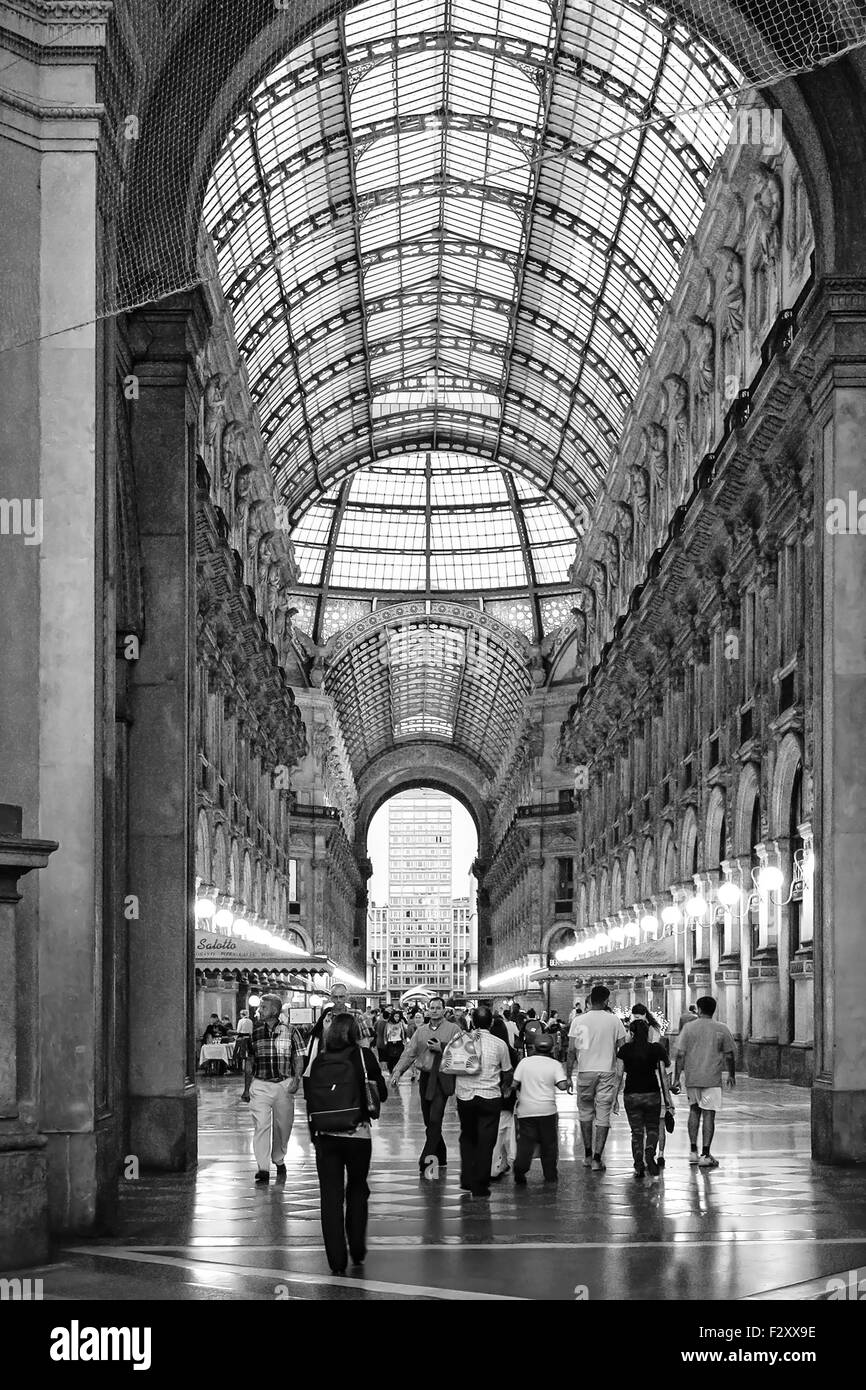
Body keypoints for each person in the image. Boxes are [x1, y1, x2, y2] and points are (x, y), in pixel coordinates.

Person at [306, 1013, 388, 1275]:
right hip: (357, 1134)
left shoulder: (319, 1059)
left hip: (326, 1136)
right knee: (357, 1187)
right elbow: (381, 1094)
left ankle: (336, 1260)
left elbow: (310, 1098)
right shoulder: (364, 1057)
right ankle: (357, 1248)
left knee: (330, 1197)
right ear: (355, 1032)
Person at [389, 996, 462, 1174]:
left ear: (444, 1010)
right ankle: (441, 1153)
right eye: (432, 1008)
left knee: (436, 1118)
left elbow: (462, 1052)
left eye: (438, 1007)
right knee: (429, 1120)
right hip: (425, 1079)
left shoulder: (454, 1029)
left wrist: (443, 1048)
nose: (435, 1010)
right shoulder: (421, 1031)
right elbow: (409, 1052)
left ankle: (427, 1158)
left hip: (443, 1078)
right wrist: (398, 1071)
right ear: (428, 1010)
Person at [240, 993, 305, 1185]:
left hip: (284, 1084)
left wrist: (297, 1079)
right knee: (261, 1125)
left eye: (263, 1007)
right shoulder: (255, 1032)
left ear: (275, 1011)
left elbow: (299, 1057)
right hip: (260, 1085)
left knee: (283, 1126)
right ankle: (263, 1168)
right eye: (260, 1007)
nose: (259, 1010)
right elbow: (250, 1062)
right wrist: (246, 1088)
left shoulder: (291, 1031)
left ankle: (278, 1158)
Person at [566, 984, 626, 1171]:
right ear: (607, 1001)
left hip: (585, 1072)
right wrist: (621, 1075)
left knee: (585, 1112)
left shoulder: (578, 1021)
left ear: (590, 1000)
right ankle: (597, 1159)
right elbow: (622, 1051)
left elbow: (570, 1051)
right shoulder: (614, 1021)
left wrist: (568, 1076)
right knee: (603, 1114)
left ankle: (587, 1154)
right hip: (607, 1072)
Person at [455, 1005, 513, 1199]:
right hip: (490, 1097)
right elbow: (507, 1072)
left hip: (465, 1096)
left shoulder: (461, 1040)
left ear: (472, 1021)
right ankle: (480, 1184)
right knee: (486, 1141)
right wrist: (505, 1089)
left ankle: (466, 1178)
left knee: (468, 1136)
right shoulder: (499, 1044)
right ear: (491, 1022)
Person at [673, 995, 736, 1168]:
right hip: (712, 1079)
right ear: (713, 1010)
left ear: (699, 1010)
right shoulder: (722, 1028)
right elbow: (729, 1055)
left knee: (694, 1111)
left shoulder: (688, 1028)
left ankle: (693, 1151)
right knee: (709, 1113)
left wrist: (677, 1078)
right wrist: (732, 1074)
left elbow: (680, 1054)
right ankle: (705, 1154)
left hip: (693, 1078)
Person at [616, 1017, 673, 1180]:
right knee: (653, 1128)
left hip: (632, 1095)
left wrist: (614, 1098)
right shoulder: (656, 1049)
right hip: (652, 1094)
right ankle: (650, 1151)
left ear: (632, 1033)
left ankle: (638, 1165)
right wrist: (667, 1100)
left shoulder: (625, 1050)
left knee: (636, 1131)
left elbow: (619, 1075)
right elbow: (663, 1074)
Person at [512, 1031, 571, 1185]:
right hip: (547, 1111)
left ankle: (520, 1169)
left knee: (526, 1142)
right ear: (551, 1048)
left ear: (534, 1047)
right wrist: (567, 1081)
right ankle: (550, 1174)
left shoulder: (524, 1062)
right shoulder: (555, 1065)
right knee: (548, 1144)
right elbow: (562, 1086)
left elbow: (514, 1083)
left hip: (526, 1111)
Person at [304, 981, 352, 1073]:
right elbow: (317, 1039)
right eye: (335, 997)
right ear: (331, 998)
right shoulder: (326, 1015)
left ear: (347, 997)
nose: (338, 1000)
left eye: (341, 997)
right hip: (328, 1063)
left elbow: (363, 1043)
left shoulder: (356, 1015)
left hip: (349, 1063)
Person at [383, 1009, 407, 1073]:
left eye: (398, 1016)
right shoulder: (388, 1024)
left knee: (398, 1058)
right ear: (393, 1016)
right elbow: (385, 1033)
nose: (397, 1018)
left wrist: (404, 1041)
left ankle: (397, 1071)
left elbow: (403, 1033)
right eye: (395, 1016)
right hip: (390, 1042)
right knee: (390, 1058)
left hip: (399, 1042)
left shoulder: (400, 1023)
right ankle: (391, 1070)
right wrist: (385, 1041)